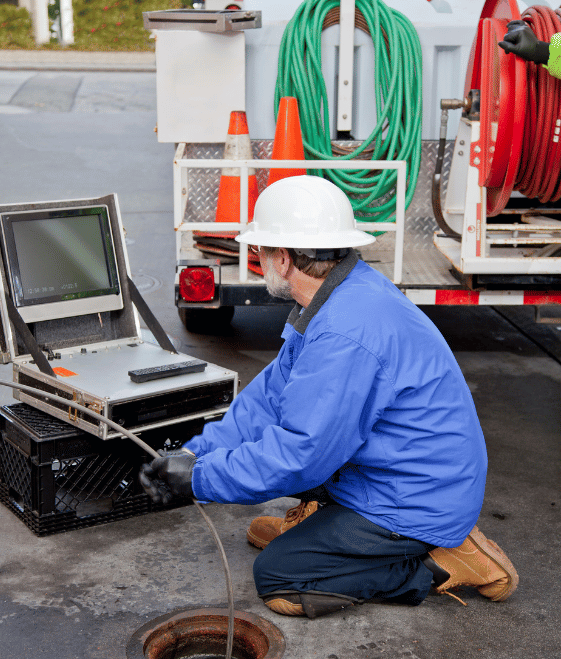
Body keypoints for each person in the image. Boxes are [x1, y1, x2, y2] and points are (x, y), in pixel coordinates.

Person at [140, 175, 518, 619]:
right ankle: (330, 530)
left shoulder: (345, 332)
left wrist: (199, 480)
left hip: (415, 499)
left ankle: (441, 563)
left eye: (261, 252)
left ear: (282, 259)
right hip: (399, 469)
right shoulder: (336, 295)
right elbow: (266, 401)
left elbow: (301, 454)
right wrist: (193, 453)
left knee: (281, 578)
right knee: (277, 449)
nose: (258, 261)